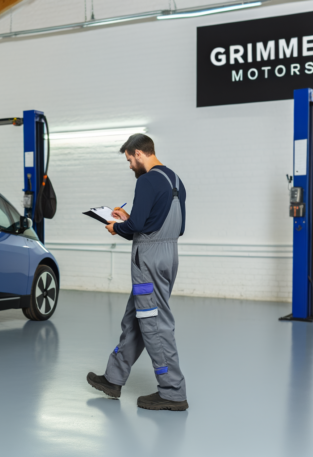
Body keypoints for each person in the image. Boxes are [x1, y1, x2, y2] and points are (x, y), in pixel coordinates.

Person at [86, 133, 189, 411]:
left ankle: (173, 391)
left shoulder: (146, 181)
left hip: (149, 260)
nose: (130, 165)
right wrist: (128, 219)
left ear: (139, 153)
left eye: (130, 160)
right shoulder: (175, 180)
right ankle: (113, 378)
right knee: (135, 318)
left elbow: (137, 228)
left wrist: (116, 227)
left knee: (154, 323)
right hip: (168, 255)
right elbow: (170, 226)